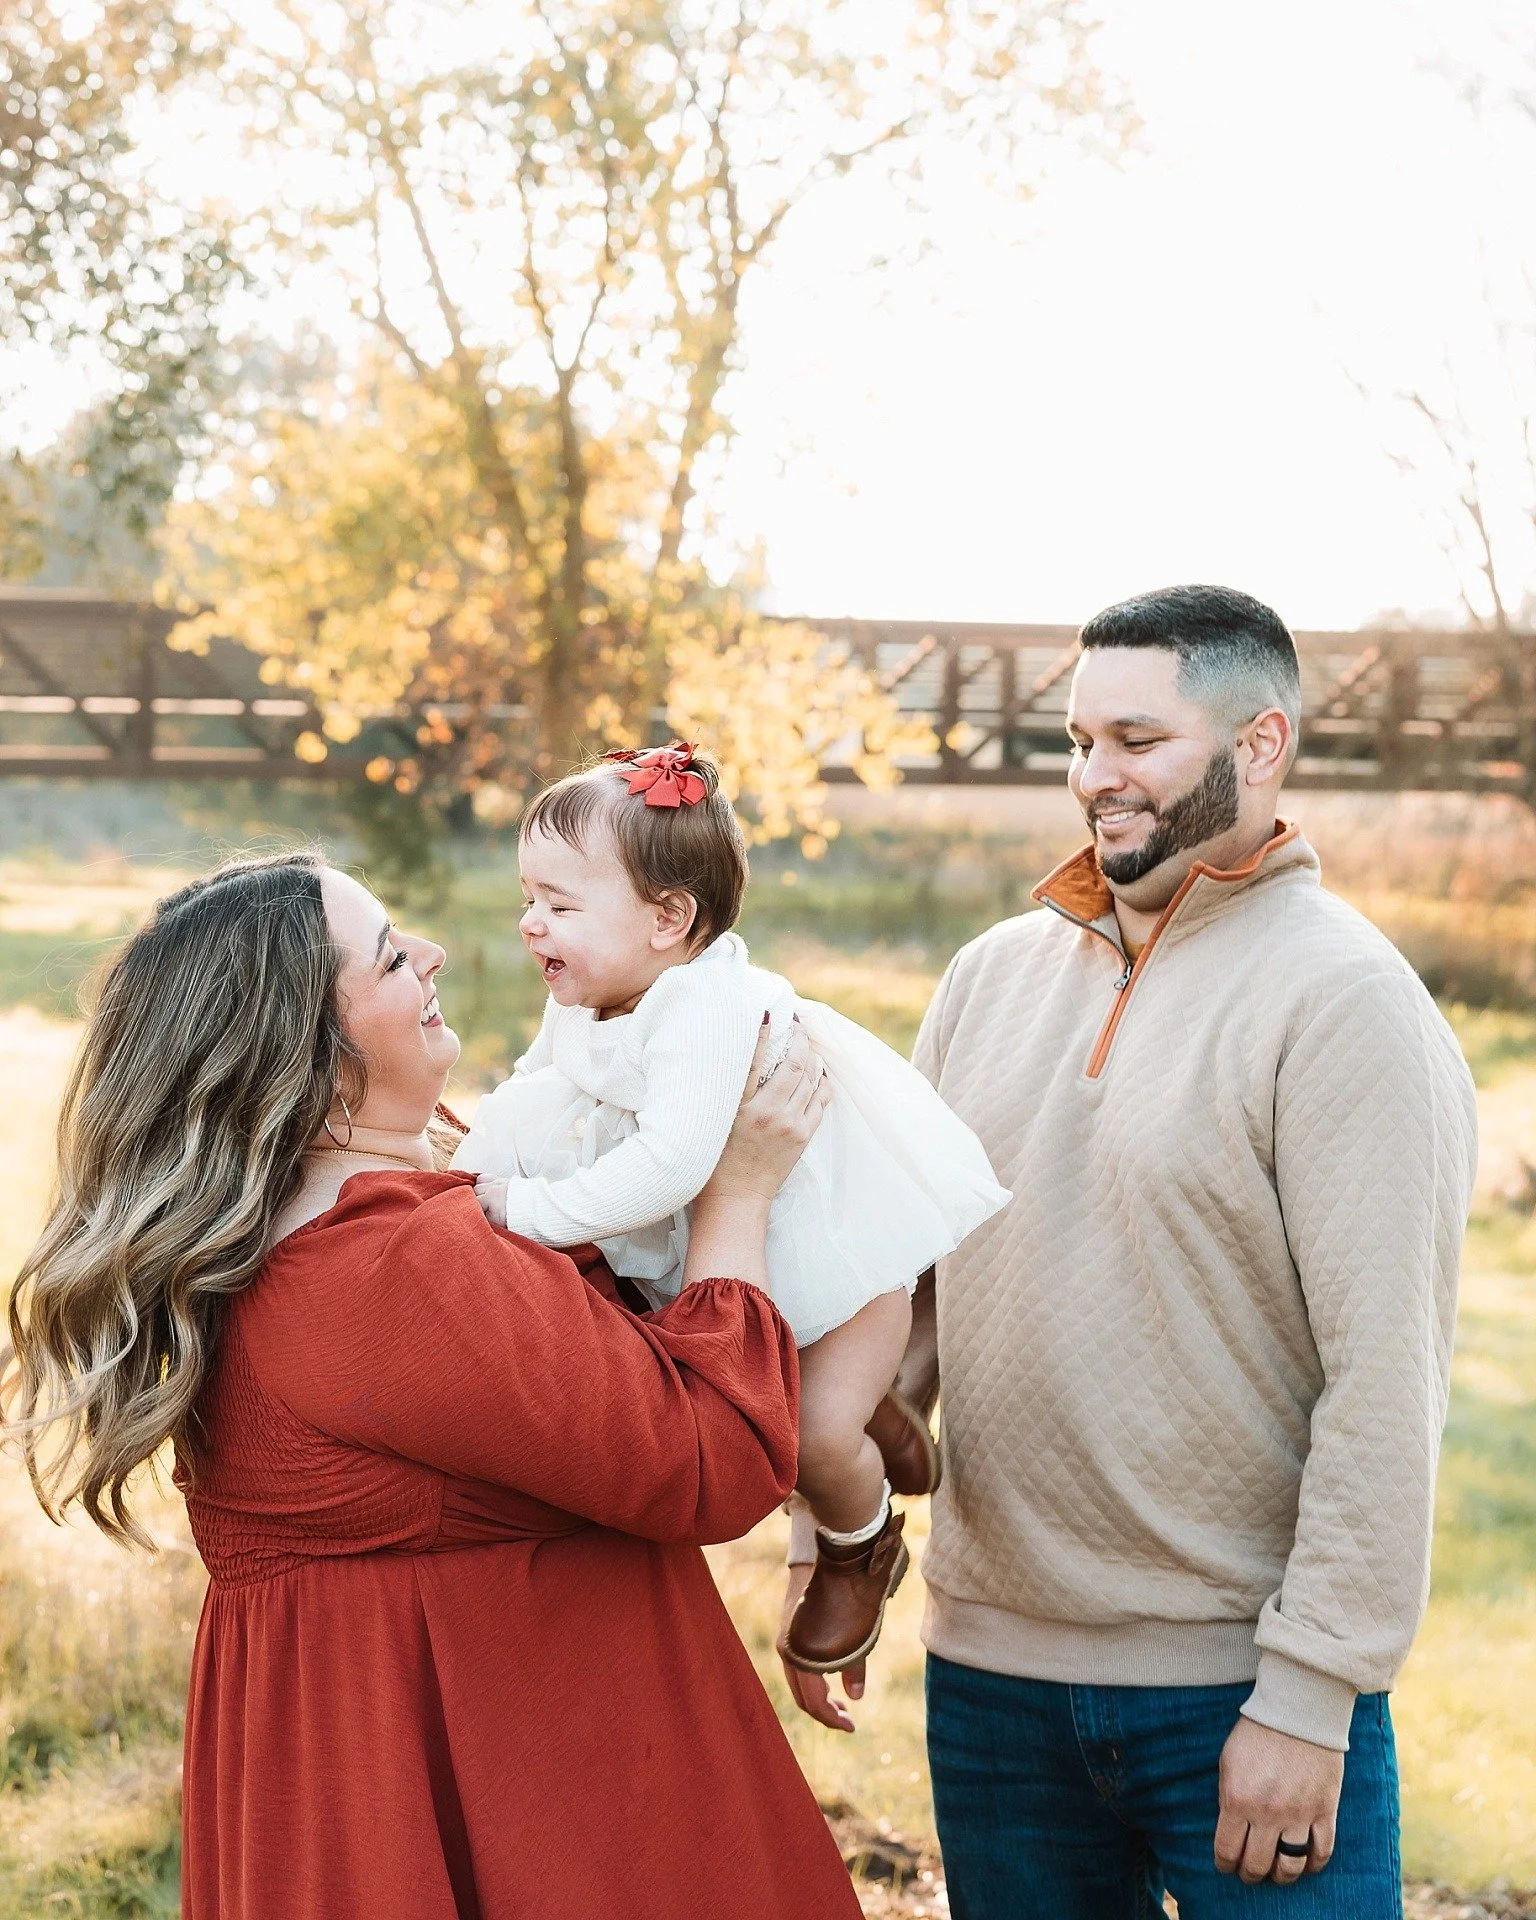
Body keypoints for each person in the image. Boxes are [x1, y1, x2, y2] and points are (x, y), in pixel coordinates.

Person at [782, 585, 1478, 1917]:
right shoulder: (987, 978)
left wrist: (1314, 1692)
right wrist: (835, 1545)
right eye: (1078, 740)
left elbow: (1384, 1385)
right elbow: (907, 1297)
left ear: (1259, 744)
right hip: (992, 1691)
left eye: (1137, 741)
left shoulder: (1348, 1004)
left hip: (1239, 1699)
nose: (1093, 777)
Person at [3, 850, 866, 1920]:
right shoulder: (394, 1265)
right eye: (391, 956)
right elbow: (717, 1463)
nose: (438, 953)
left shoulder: (254, 1247)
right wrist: (738, 1191)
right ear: (310, 1055)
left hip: (353, 1783)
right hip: (548, 1807)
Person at [454, 743, 1009, 1675]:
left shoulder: (704, 1009)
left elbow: (672, 1166)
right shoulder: (591, 992)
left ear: (669, 918)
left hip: (836, 1260)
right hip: (743, 1270)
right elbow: (529, 1091)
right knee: (772, 1411)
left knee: (811, 1439)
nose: (528, 924)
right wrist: (462, 1178)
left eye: (558, 905)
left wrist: (527, 1210)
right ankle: (879, 1415)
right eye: (527, 898)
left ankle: (860, 1543)